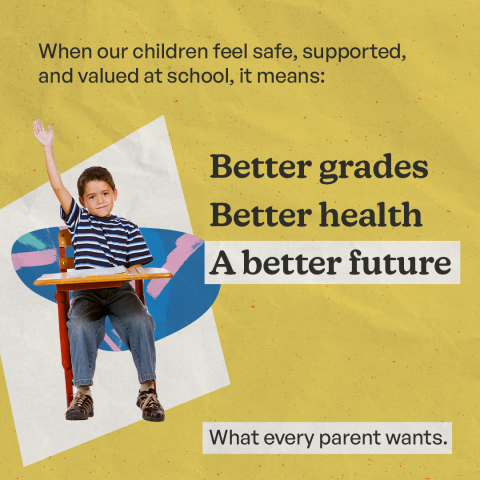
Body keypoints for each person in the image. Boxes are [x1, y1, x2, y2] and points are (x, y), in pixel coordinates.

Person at [33, 119, 165, 422]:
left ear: (115, 194)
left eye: (105, 194)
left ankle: (147, 391)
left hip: (118, 291)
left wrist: (134, 269)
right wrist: (48, 147)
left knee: (141, 319)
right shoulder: (79, 220)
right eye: (92, 197)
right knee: (78, 324)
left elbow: (136, 265)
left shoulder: (128, 227)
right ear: (82, 202)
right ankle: (82, 395)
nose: (99, 200)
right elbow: (57, 185)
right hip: (86, 292)